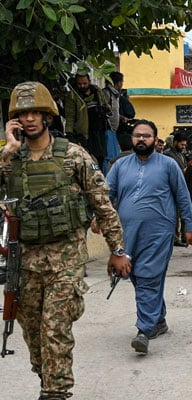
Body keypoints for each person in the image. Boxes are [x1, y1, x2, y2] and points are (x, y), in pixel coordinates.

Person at [2, 81, 130, 400]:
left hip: (66, 261)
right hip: (26, 263)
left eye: (35, 112)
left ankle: (55, 392)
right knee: (34, 335)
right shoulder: (9, 160)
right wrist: (7, 152)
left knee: (55, 328)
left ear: (47, 115)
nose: (29, 119)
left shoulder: (73, 156)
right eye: (22, 113)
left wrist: (117, 250)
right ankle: (48, 378)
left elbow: (102, 203)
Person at [106, 119, 192, 355]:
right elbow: (107, 196)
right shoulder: (119, 166)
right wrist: (99, 219)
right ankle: (159, 320)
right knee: (136, 274)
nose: (141, 139)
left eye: (146, 136)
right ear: (132, 139)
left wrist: (189, 226)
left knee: (148, 276)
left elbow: (183, 196)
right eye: (137, 135)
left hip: (159, 232)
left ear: (156, 140)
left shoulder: (168, 165)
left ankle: (143, 330)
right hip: (128, 233)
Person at [64, 73, 111, 169]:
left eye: (84, 83)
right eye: (79, 84)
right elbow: (70, 116)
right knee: (88, 161)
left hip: (99, 130)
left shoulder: (96, 91)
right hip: (85, 133)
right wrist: (69, 134)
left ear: (89, 81)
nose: (82, 86)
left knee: (101, 158)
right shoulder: (73, 96)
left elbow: (105, 105)